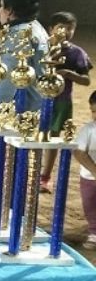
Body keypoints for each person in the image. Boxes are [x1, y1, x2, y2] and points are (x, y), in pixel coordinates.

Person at [39, 11, 92, 193]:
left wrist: (69, 74)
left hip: (61, 102)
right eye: (60, 27)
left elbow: (86, 80)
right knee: (34, 136)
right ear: (50, 29)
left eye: (70, 28)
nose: (65, 32)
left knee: (53, 139)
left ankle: (45, 177)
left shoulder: (77, 53)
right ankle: (30, 174)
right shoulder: (41, 48)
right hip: (39, 100)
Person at [74, 91, 96, 250]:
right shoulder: (88, 130)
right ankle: (94, 233)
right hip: (90, 177)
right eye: (93, 111)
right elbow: (80, 153)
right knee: (91, 205)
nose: (95, 115)